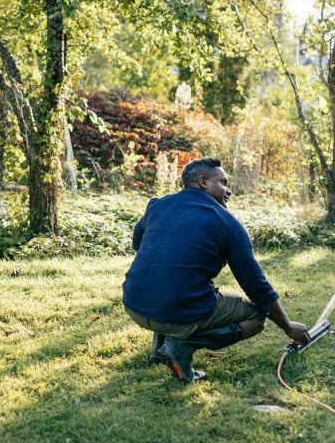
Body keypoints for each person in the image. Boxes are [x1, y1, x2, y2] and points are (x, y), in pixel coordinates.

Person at [123, 157, 310, 383]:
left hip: (134, 304)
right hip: (173, 311)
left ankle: (159, 351)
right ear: (203, 182)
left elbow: (137, 243)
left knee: (170, 284)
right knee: (256, 316)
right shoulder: (227, 223)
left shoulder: (158, 205)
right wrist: (288, 327)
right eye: (223, 182)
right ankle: (180, 345)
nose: (229, 190)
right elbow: (255, 285)